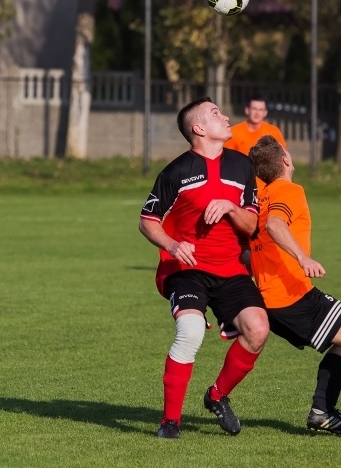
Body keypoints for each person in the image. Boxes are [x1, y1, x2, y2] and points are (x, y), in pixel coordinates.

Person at [247, 135, 341, 443]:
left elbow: (251, 246)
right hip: (291, 296)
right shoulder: (288, 189)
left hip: (279, 296)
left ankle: (322, 411)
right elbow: (276, 226)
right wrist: (303, 257)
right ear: (286, 160)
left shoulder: (257, 197)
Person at [139, 96, 270, 439]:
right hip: (187, 268)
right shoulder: (176, 171)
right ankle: (170, 422)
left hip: (230, 268)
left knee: (257, 329)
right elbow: (147, 221)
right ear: (199, 128)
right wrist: (172, 245)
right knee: (191, 332)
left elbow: (251, 225)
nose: (226, 117)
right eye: (216, 114)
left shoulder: (242, 167)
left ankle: (216, 396)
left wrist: (229, 206)